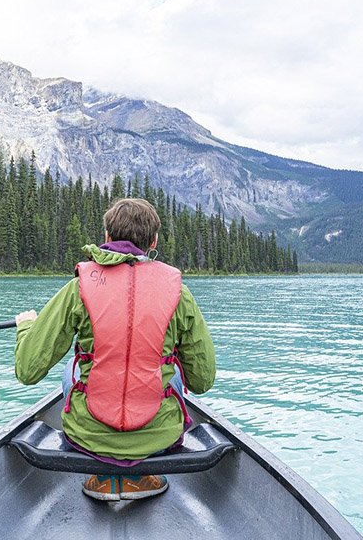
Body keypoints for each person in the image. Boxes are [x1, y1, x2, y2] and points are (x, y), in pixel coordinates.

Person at [15, 197, 215, 501]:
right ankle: (140, 476)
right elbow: (202, 381)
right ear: (153, 241)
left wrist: (27, 326)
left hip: (87, 436)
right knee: (172, 378)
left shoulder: (77, 289)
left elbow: (28, 370)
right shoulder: (180, 295)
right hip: (158, 438)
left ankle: (103, 476)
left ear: (107, 236)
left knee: (71, 375)